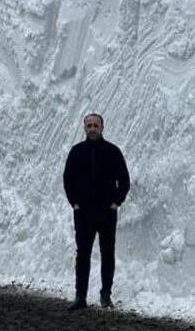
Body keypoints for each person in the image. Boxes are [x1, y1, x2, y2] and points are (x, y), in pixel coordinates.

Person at [62, 113, 130, 310]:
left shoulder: (113, 151)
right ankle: (80, 296)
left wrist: (116, 202)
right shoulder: (76, 152)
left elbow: (124, 180)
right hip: (83, 213)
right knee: (83, 254)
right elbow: (68, 179)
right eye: (89, 125)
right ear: (84, 128)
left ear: (102, 127)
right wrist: (74, 202)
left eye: (96, 125)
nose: (92, 128)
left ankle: (106, 295)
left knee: (107, 254)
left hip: (107, 213)